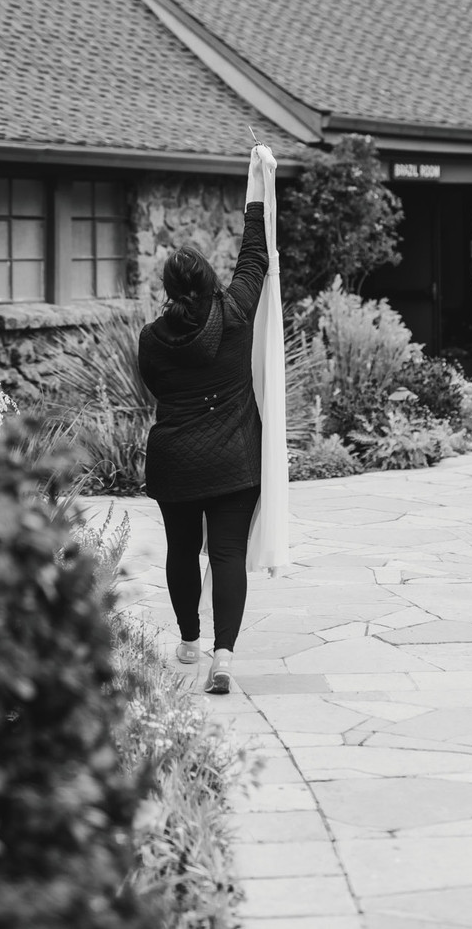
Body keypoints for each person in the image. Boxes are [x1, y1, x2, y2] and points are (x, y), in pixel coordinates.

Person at [138, 145, 271, 694]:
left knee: (181, 550)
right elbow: (256, 259)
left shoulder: (152, 338)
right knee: (228, 553)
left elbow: (155, 388)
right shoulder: (236, 313)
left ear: (169, 291)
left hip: (176, 460)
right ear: (210, 280)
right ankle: (223, 658)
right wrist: (256, 194)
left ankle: (190, 639)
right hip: (234, 457)